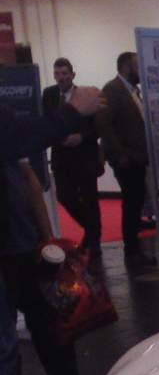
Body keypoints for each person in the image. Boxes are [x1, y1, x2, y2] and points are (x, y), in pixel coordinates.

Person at [0, 86, 101, 375]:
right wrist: (72, 111)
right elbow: (22, 142)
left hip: (22, 247)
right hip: (8, 251)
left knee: (50, 328)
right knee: (5, 349)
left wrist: (46, 239)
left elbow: (24, 174)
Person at [96, 51, 155, 265]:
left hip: (137, 157)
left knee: (136, 201)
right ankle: (132, 251)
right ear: (126, 68)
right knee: (132, 202)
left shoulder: (133, 91)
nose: (141, 70)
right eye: (137, 66)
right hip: (126, 158)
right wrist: (120, 154)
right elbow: (103, 124)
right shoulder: (112, 90)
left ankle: (134, 247)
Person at [42, 58, 104, 259]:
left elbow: (98, 126)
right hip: (61, 156)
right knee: (64, 196)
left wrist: (81, 137)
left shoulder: (86, 95)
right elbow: (46, 122)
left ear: (72, 75)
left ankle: (94, 241)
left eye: (64, 74)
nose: (60, 78)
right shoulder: (49, 95)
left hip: (84, 156)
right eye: (57, 74)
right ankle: (91, 229)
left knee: (90, 199)